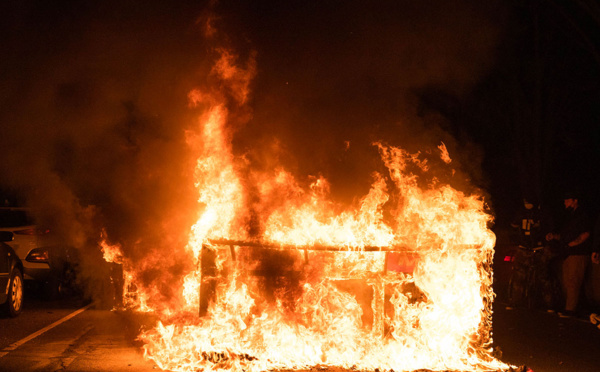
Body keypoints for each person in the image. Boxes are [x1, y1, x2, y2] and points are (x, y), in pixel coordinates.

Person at [545, 191, 593, 318]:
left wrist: (573, 244)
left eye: (567, 199)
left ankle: (570, 310)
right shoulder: (570, 216)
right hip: (568, 253)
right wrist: (555, 236)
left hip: (578, 253)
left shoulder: (582, 215)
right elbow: (567, 234)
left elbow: (585, 233)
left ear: (575, 200)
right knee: (567, 282)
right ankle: (572, 307)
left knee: (573, 282)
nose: (564, 202)